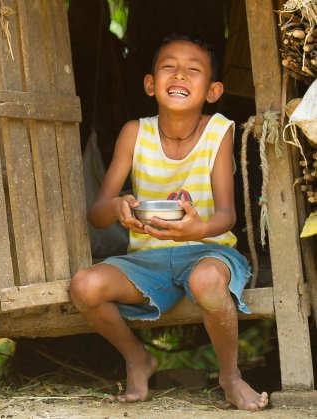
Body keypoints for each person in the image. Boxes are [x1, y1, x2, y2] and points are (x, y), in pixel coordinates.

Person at [69, 33, 269, 411]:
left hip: (208, 251)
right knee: (84, 285)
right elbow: (96, 214)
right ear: (150, 84)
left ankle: (230, 375)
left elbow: (228, 215)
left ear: (212, 91)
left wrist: (197, 229)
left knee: (207, 281)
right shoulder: (134, 133)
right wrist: (119, 207)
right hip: (147, 262)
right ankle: (137, 359)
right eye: (168, 67)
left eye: (193, 70)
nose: (179, 75)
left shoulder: (218, 130)